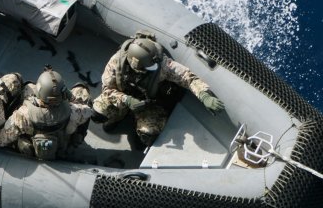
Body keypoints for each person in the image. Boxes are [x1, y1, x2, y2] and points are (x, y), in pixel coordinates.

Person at [93, 31, 226, 147]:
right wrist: (126, 100)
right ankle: (117, 118)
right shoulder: (117, 62)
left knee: (148, 133)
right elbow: (107, 89)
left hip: (148, 103)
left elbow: (187, 76)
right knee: (98, 110)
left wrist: (204, 95)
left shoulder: (160, 63)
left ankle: (138, 133)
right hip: (122, 97)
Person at [0, 67, 96, 161]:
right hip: (61, 149)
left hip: (32, 150)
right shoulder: (75, 111)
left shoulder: (23, 115)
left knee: (27, 86)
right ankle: (77, 140)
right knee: (82, 91)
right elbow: (89, 111)